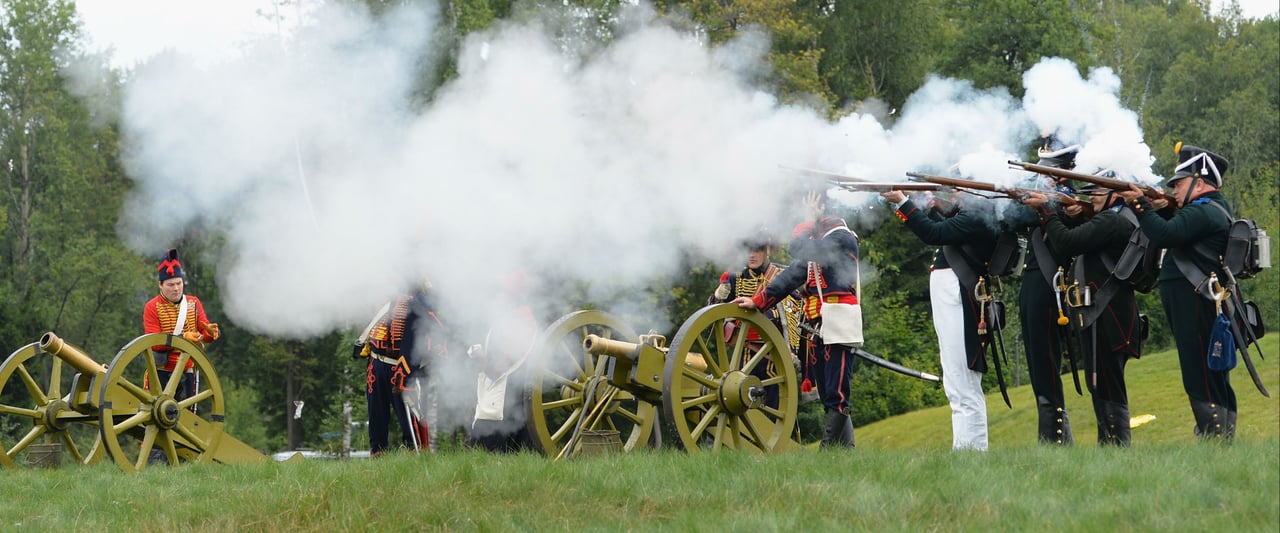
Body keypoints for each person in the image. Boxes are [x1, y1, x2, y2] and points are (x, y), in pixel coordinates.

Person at [1119, 144, 1236, 441]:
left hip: (1196, 302)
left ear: (1201, 182)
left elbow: (1166, 234)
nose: (1175, 188)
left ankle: (1215, 436)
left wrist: (1140, 205)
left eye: (1180, 183)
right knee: (1205, 370)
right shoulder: (1202, 210)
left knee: (1200, 372)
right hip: (1194, 301)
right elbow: (1174, 229)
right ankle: (1217, 434)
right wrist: (1159, 208)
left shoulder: (1205, 212)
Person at [733, 190, 859, 448]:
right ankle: (846, 453)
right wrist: (757, 302)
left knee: (836, 393)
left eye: (811, 206)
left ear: (822, 207)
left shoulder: (842, 237)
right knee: (828, 394)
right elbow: (790, 277)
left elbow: (797, 247)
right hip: (818, 324)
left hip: (838, 322)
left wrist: (807, 222)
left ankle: (827, 453)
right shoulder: (820, 243)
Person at [1022, 178, 1142, 447]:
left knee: (1106, 383)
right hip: (1109, 313)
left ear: (1116, 195)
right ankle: (1110, 446)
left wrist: (1050, 213)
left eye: (1098, 192)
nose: (1092, 197)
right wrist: (1068, 215)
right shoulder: (1118, 218)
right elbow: (1083, 237)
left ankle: (1116, 447)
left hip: (1108, 314)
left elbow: (1067, 243)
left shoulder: (1111, 220)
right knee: (1101, 383)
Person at [881, 188, 997, 451]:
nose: (952, 194)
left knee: (964, 381)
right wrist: (927, 200)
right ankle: (964, 449)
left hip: (961, 301)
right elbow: (943, 226)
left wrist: (903, 202)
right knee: (955, 381)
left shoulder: (978, 216)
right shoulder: (970, 217)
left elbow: (935, 233)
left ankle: (974, 452)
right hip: (954, 299)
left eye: (957, 189)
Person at [1004, 135, 1080, 445]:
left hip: (1049, 289)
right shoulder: (1051, 197)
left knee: (1045, 363)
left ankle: (1055, 438)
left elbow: (1014, 217)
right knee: (1040, 364)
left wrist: (1016, 200)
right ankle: (1056, 436)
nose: (1042, 174)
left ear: (1063, 172)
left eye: (1048, 170)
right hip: (1040, 288)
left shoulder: (1064, 198)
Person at [708, 235, 806, 407]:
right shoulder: (735, 278)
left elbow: (795, 308)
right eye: (748, 251)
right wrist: (717, 297)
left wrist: (766, 316)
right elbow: (711, 313)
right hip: (744, 351)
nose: (752, 255)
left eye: (757, 250)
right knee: (741, 401)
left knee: (775, 406)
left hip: (772, 354)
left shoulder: (780, 277)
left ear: (767, 251)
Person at [364, 277, 443, 456]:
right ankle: (377, 454)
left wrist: (407, 368)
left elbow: (424, 337)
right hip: (376, 364)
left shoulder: (419, 303)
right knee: (376, 415)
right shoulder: (386, 300)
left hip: (401, 367)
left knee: (410, 418)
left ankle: (415, 454)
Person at [467, 270, 539, 453]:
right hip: (510, 388)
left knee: (489, 450)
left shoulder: (520, 319)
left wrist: (483, 359)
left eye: (503, 292)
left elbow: (502, 362)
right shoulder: (510, 317)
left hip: (509, 390)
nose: (498, 296)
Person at [144, 248, 220, 403]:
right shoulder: (152, 307)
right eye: (171, 284)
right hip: (162, 372)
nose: (176, 288)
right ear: (160, 285)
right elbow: (155, 344)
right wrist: (183, 337)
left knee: (188, 418)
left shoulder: (194, 303)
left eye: (179, 283)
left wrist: (210, 334)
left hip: (187, 371)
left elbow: (202, 334)